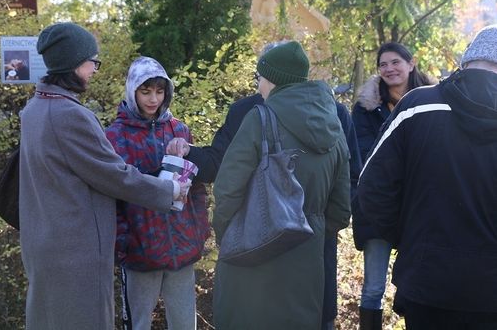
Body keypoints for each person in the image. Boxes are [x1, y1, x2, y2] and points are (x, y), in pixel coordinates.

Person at [167, 42, 362, 330]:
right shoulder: (334, 122)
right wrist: (315, 230)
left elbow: (228, 188)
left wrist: (226, 233)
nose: (258, 85)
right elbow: (341, 207)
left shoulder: (259, 118)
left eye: (260, 78)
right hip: (308, 261)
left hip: (254, 254)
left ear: (271, 79)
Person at [19, 23, 189, 330]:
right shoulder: (70, 115)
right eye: (91, 61)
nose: (94, 69)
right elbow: (115, 175)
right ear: (73, 63)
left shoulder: (34, 109)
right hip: (73, 249)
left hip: (45, 241)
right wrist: (169, 191)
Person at [357, 24, 497, 329]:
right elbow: (372, 187)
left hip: (427, 281)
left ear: (467, 61)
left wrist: (409, 239)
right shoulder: (417, 106)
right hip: (495, 290)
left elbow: (371, 187)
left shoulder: (416, 105)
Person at [105, 56, 210, 330]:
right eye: (146, 91)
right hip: (140, 252)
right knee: (138, 324)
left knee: (186, 324)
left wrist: (200, 230)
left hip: (182, 249)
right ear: (132, 91)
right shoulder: (115, 137)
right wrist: (123, 243)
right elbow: (110, 197)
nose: (153, 99)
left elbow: (196, 185)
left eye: (159, 91)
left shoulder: (179, 130)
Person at [351, 42, 435, 329]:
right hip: (378, 206)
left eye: (395, 62)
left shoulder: (433, 101)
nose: (389, 69)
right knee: (374, 287)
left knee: (421, 283)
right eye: (383, 64)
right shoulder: (366, 109)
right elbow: (365, 156)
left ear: (411, 63)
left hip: (421, 208)